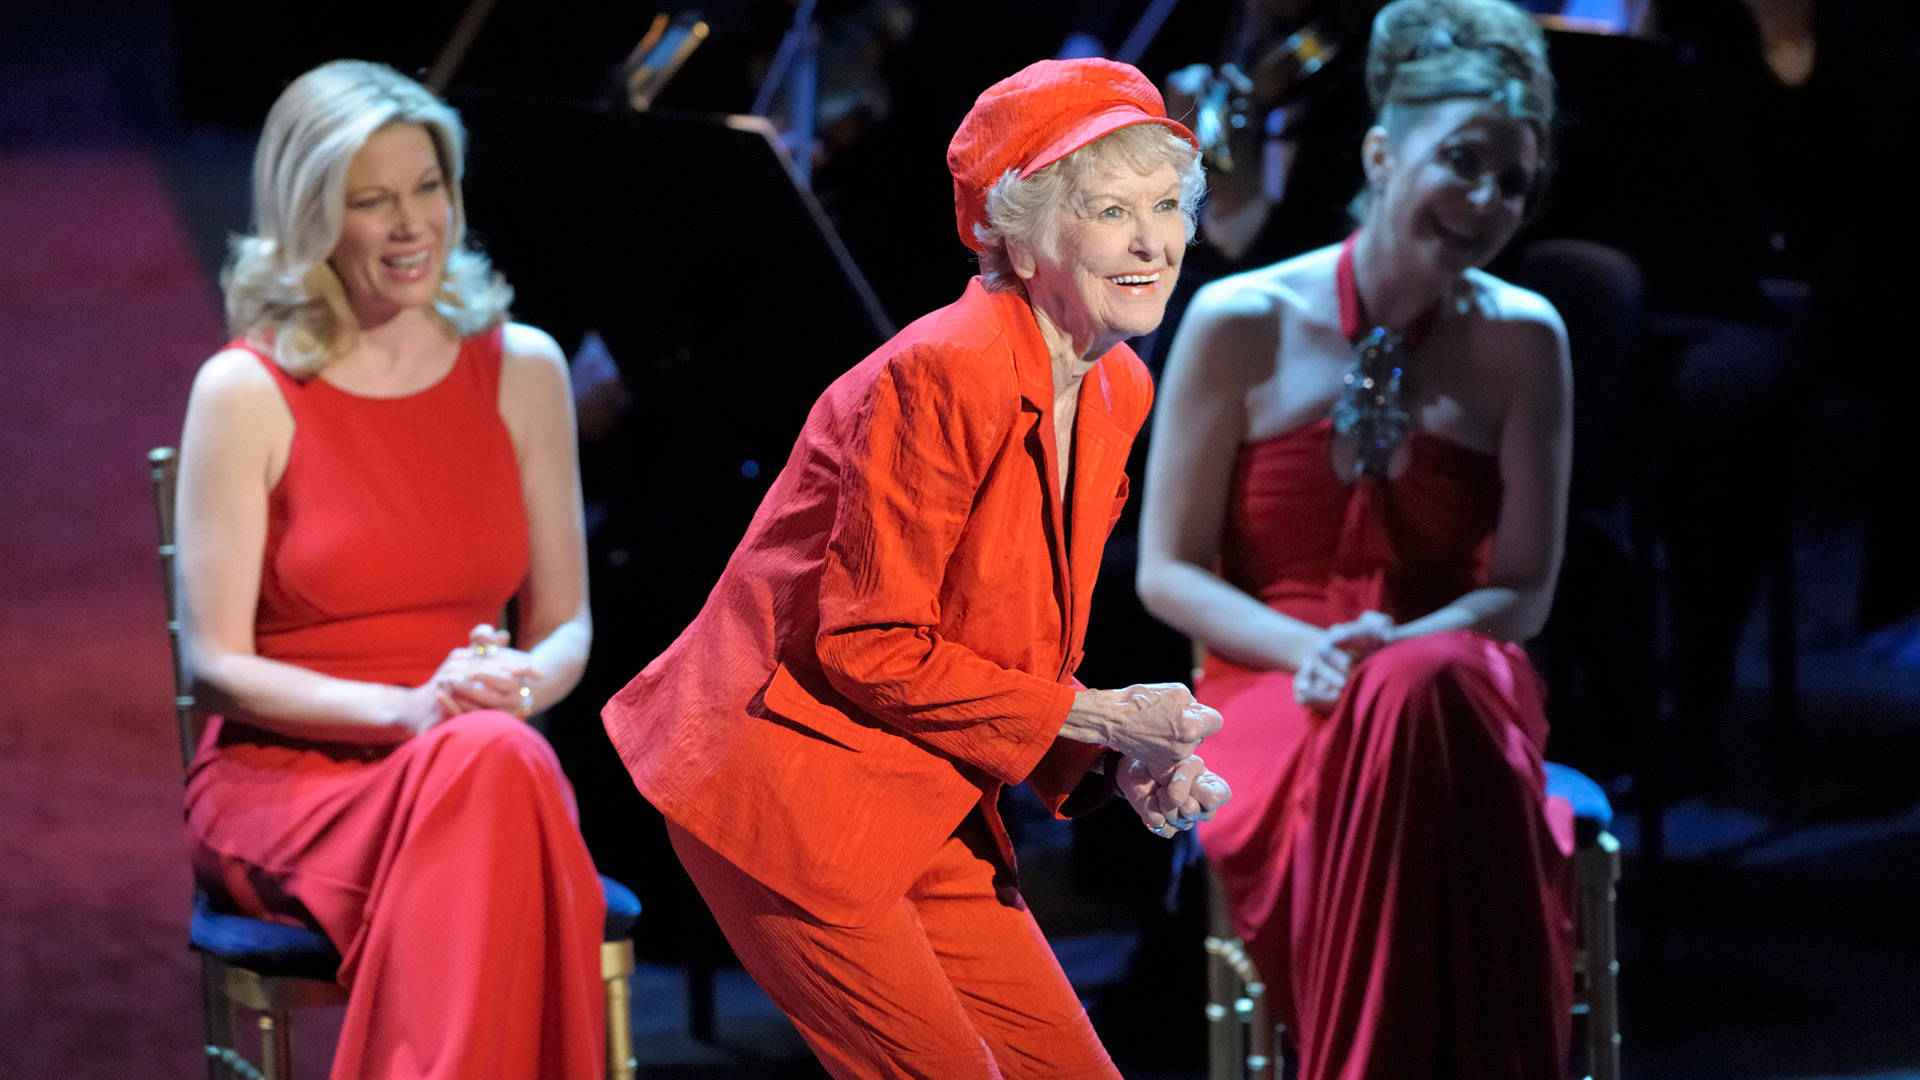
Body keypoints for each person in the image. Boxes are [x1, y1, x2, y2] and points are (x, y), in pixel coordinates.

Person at [602, 57, 1230, 1080]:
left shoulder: (1117, 387)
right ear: (1021, 238)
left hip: (926, 793)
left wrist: (1114, 755)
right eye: (1112, 210)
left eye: (1167, 205)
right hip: (789, 792)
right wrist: (1108, 717)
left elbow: (1002, 642)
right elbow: (870, 640)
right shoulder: (941, 371)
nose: (1154, 243)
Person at [1136, 2, 1577, 1077]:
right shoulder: (1239, 318)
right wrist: (1318, 654)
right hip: (1274, 679)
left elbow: (1520, 590)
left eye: (1514, 184)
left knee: (1417, 690)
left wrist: (1394, 655)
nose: (1488, 202)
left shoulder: (1528, 340)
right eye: (1465, 162)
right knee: (1395, 698)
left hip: (1458, 675)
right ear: (1381, 153)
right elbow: (1166, 569)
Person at [174, 60, 605, 1079]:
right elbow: (218, 665)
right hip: (294, 785)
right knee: (501, 779)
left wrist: (512, 686)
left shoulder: (527, 368)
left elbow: (569, 624)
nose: (412, 224)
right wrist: (415, 712)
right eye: (373, 201)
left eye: (429, 190)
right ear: (313, 214)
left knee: (497, 763)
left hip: (478, 763)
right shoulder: (245, 389)